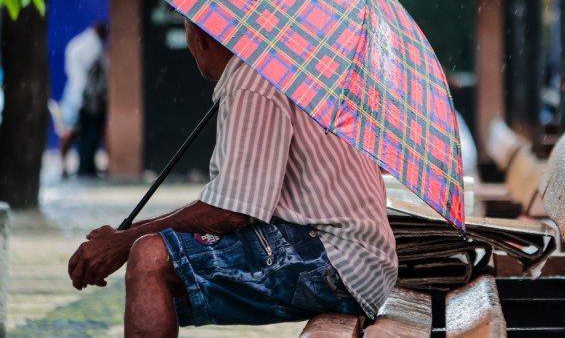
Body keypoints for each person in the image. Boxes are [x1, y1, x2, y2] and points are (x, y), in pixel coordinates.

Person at [67, 19, 398, 336]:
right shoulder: (283, 63)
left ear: (200, 36)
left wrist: (125, 242)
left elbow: (230, 213)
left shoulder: (253, 77)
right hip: (360, 262)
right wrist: (127, 236)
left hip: (341, 261)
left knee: (151, 257)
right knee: (157, 252)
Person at [59, 21, 108, 177]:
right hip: (88, 100)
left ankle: (80, 166)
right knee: (84, 133)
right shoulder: (94, 47)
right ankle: (84, 167)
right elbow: (95, 75)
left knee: (79, 132)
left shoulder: (79, 44)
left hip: (79, 95)